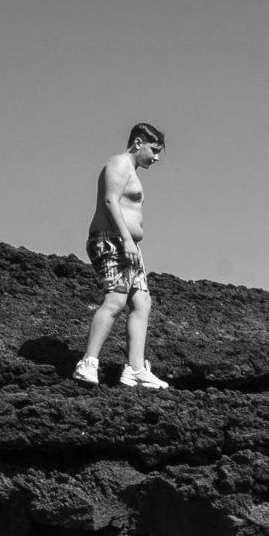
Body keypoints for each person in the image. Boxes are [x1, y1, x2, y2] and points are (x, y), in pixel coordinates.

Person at [73, 123, 169, 389]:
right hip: (111, 241)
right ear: (138, 143)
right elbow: (109, 200)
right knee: (115, 300)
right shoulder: (118, 164)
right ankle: (88, 362)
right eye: (154, 150)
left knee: (142, 302)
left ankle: (135, 369)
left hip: (128, 246)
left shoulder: (133, 172)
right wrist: (127, 239)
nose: (156, 157)